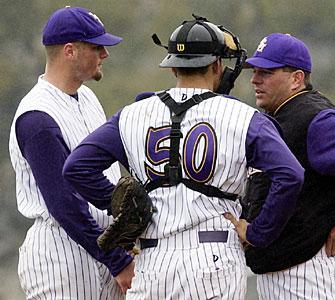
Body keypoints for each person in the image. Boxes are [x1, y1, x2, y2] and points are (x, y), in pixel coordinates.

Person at [63, 16, 305, 299]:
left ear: (173, 67)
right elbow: (291, 174)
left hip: (153, 261)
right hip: (214, 256)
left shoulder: (132, 114)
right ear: (217, 66)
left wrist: (120, 205)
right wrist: (258, 233)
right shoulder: (244, 117)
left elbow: (76, 168)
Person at [238, 32, 335, 299]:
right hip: (283, 270)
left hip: (307, 272)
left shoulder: (315, 119)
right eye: (255, 71)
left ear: (296, 78)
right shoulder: (280, 116)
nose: (255, 79)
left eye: (266, 72)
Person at [9, 6, 134, 299]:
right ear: (69, 51)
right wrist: (118, 261)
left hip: (103, 248)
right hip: (62, 254)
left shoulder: (87, 97)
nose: (104, 54)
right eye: (96, 46)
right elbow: (64, 203)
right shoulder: (37, 116)